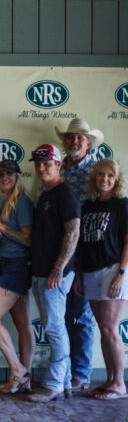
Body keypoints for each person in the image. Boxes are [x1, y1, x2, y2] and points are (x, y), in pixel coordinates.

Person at [27, 144, 81, 403]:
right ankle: (66, 381)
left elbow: (73, 233)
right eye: (38, 163)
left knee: (55, 327)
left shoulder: (64, 194)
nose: (41, 167)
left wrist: (58, 269)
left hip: (54, 274)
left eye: (47, 163)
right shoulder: (45, 195)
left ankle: (54, 384)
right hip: (41, 271)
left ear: (59, 165)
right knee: (55, 326)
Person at [55, 118, 104, 392]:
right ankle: (65, 372)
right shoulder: (56, 169)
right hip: (59, 254)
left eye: (80, 138)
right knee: (61, 316)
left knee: (83, 316)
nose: (74, 142)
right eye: (71, 137)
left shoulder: (97, 174)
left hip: (86, 252)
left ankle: (82, 374)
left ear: (88, 143)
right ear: (65, 141)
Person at [0, 159, 35, 394]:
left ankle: (18, 370)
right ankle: (23, 381)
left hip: (16, 267)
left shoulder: (21, 201)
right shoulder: (7, 201)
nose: (4, 177)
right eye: (0, 174)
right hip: (9, 267)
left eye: (9, 174)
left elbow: (28, 240)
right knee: (23, 324)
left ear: (18, 176)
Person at [75, 159, 128, 400]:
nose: (104, 179)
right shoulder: (87, 207)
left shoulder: (122, 205)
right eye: (100, 175)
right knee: (103, 329)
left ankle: (119, 384)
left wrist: (121, 273)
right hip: (89, 271)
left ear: (116, 180)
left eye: (109, 175)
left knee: (110, 328)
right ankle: (109, 380)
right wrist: (77, 274)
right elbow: (81, 244)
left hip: (112, 270)